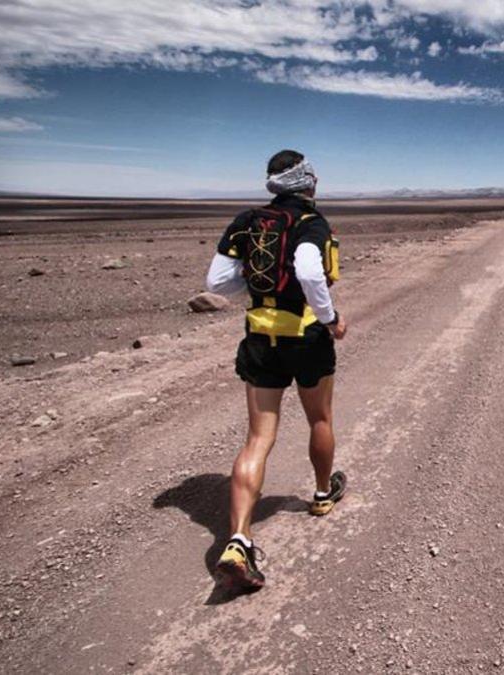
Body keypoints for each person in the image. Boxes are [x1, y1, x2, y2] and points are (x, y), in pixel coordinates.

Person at [203, 149, 348, 592]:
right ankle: (323, 495)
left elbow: (216, 283)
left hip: (260, 338)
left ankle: (238, 540)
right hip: (304, 338)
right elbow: (308, 271)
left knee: (258, 438)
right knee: (319, 418)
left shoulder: (247, 220)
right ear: (307, 182)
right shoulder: (311, 222)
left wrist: (253, 283)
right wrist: (330, 319)